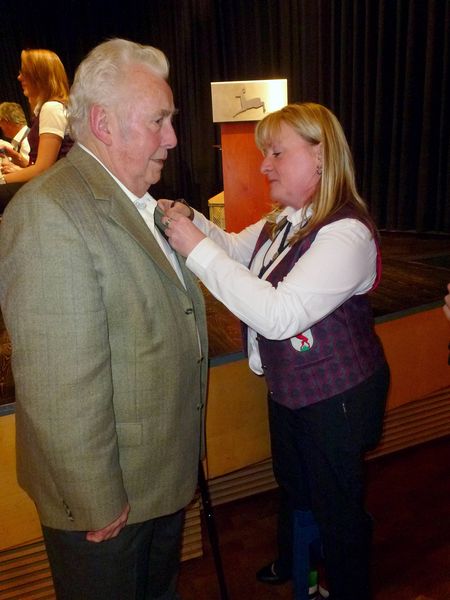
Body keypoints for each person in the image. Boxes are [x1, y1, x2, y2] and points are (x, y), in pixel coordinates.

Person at [0, 38, 208, 600]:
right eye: (159, 120)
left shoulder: (136, 202)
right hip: (107, 505)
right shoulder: (49, 213)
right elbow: (60, 384)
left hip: (154, 481)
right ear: (103, 124)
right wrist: (96, 499)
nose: (173, 137)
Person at [160, 102, 390, 600]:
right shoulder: (284, 221)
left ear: (321, 156)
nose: (264, 165)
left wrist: (195, 246)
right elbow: (232, 250)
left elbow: (279, 315)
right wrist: (194, 221)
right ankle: (298, 564)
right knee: (295, 484)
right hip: (293, 388)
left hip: (338, 395)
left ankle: (348, 589)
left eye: (277, 153)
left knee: (337, 507)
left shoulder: (346, 233)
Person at [0, 48, 73, 211]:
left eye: (24, 73)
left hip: (59, 188)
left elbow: (44, 168)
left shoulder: (51, 108)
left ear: (39, 76)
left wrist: (3, 179)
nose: (19, 77)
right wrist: (22, 162)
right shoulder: (51, 108)